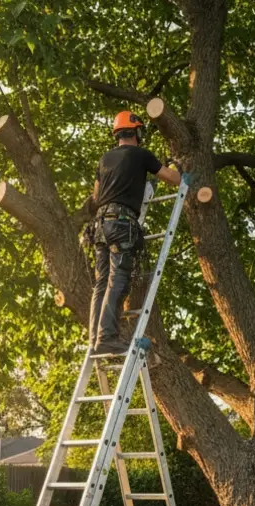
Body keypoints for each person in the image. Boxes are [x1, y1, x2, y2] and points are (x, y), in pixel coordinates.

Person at [86, 111, 182, 355]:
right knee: (118, 279)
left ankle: (95, 339)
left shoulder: (104, 159)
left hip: (99, 226)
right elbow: (172, 179)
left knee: (101, 283)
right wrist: (175, 167)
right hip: (121, 223)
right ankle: (106, 337)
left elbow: (96, 197)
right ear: (137, 133)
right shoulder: (141, 155)